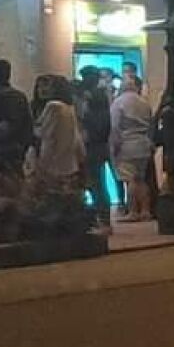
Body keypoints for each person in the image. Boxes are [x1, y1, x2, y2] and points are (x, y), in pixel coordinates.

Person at [111, 76, 154, 222]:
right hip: (143, 143)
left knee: (130, 180)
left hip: (127, 144)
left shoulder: (118, 102)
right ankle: (146, 210)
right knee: (141, 179)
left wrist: (114, 146)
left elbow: (115, 126)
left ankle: (133, 211)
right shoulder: (144, 103)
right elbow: (151, 123)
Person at [77, 66, 114, 233]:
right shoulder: (99, 97)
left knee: (96, 183)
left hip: (93, 146)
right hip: (98, 146)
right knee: (96, 183)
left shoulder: (95, 97)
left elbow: (97, 125)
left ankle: (103, 220)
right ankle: (102, 219)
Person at [32, 75, 85, 186]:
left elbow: (46, 135)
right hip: (69, 162)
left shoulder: (53, 106)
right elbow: (76, 136)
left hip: (53, 161)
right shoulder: (69, 107)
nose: (47, 89)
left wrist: (42, 164)